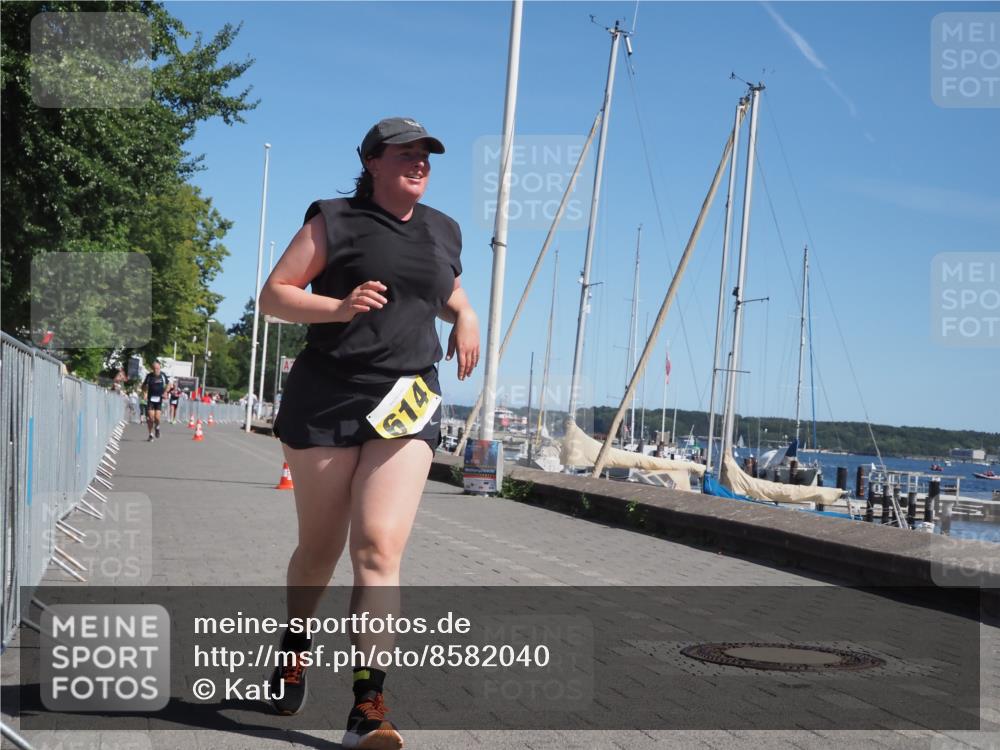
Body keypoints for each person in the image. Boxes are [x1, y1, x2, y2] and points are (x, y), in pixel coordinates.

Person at [259, 117, 479, 749]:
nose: (419, 162)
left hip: (407, 395)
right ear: (373, 163)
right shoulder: (335, 219)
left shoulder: (443, 229)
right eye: (405, 154)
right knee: (319, 550)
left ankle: (367, 706)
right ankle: (295, 646)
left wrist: (465, 317)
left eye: (426, 155)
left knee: (378, 548)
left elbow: (448, 293)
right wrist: (338, 307)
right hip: (328, 394)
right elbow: (275, 294)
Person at [141, 361, 169, 441]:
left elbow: (169, 385)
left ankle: (157, 427)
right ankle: (150, 434)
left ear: (160, 368)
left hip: (159, 399)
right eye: (154, 368)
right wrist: (145, 392)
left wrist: (165, 392)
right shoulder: (149, 376)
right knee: (150, 418)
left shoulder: (163, 375)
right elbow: (143, 386)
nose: (156, 370)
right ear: (152, 369)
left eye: (157, 368)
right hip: (151, 399)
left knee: (157, 418)